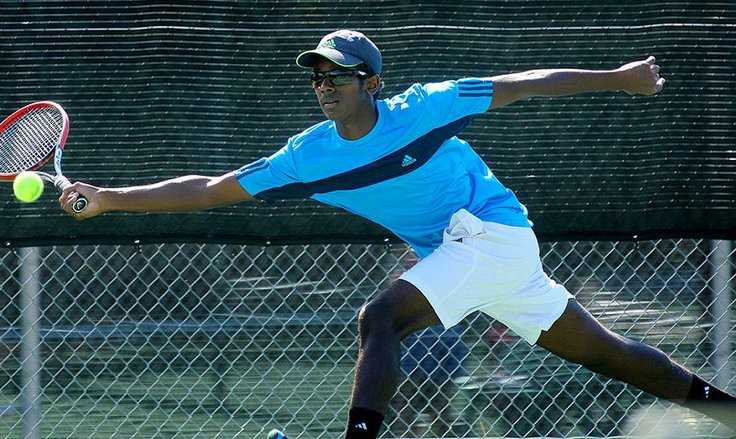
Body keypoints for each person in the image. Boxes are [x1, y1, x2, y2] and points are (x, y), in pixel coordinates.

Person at [59, 30, 735, 439]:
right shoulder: (308, 154)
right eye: (317, 76)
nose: (324, 85)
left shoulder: (424, 107)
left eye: (338, 75)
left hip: (490, 233)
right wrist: (110, 198)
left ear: (372, 83)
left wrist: (617, 79)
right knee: (606, 353)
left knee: (380, 315)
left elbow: (520, 85)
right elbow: (210, 188)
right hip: (472, 252)